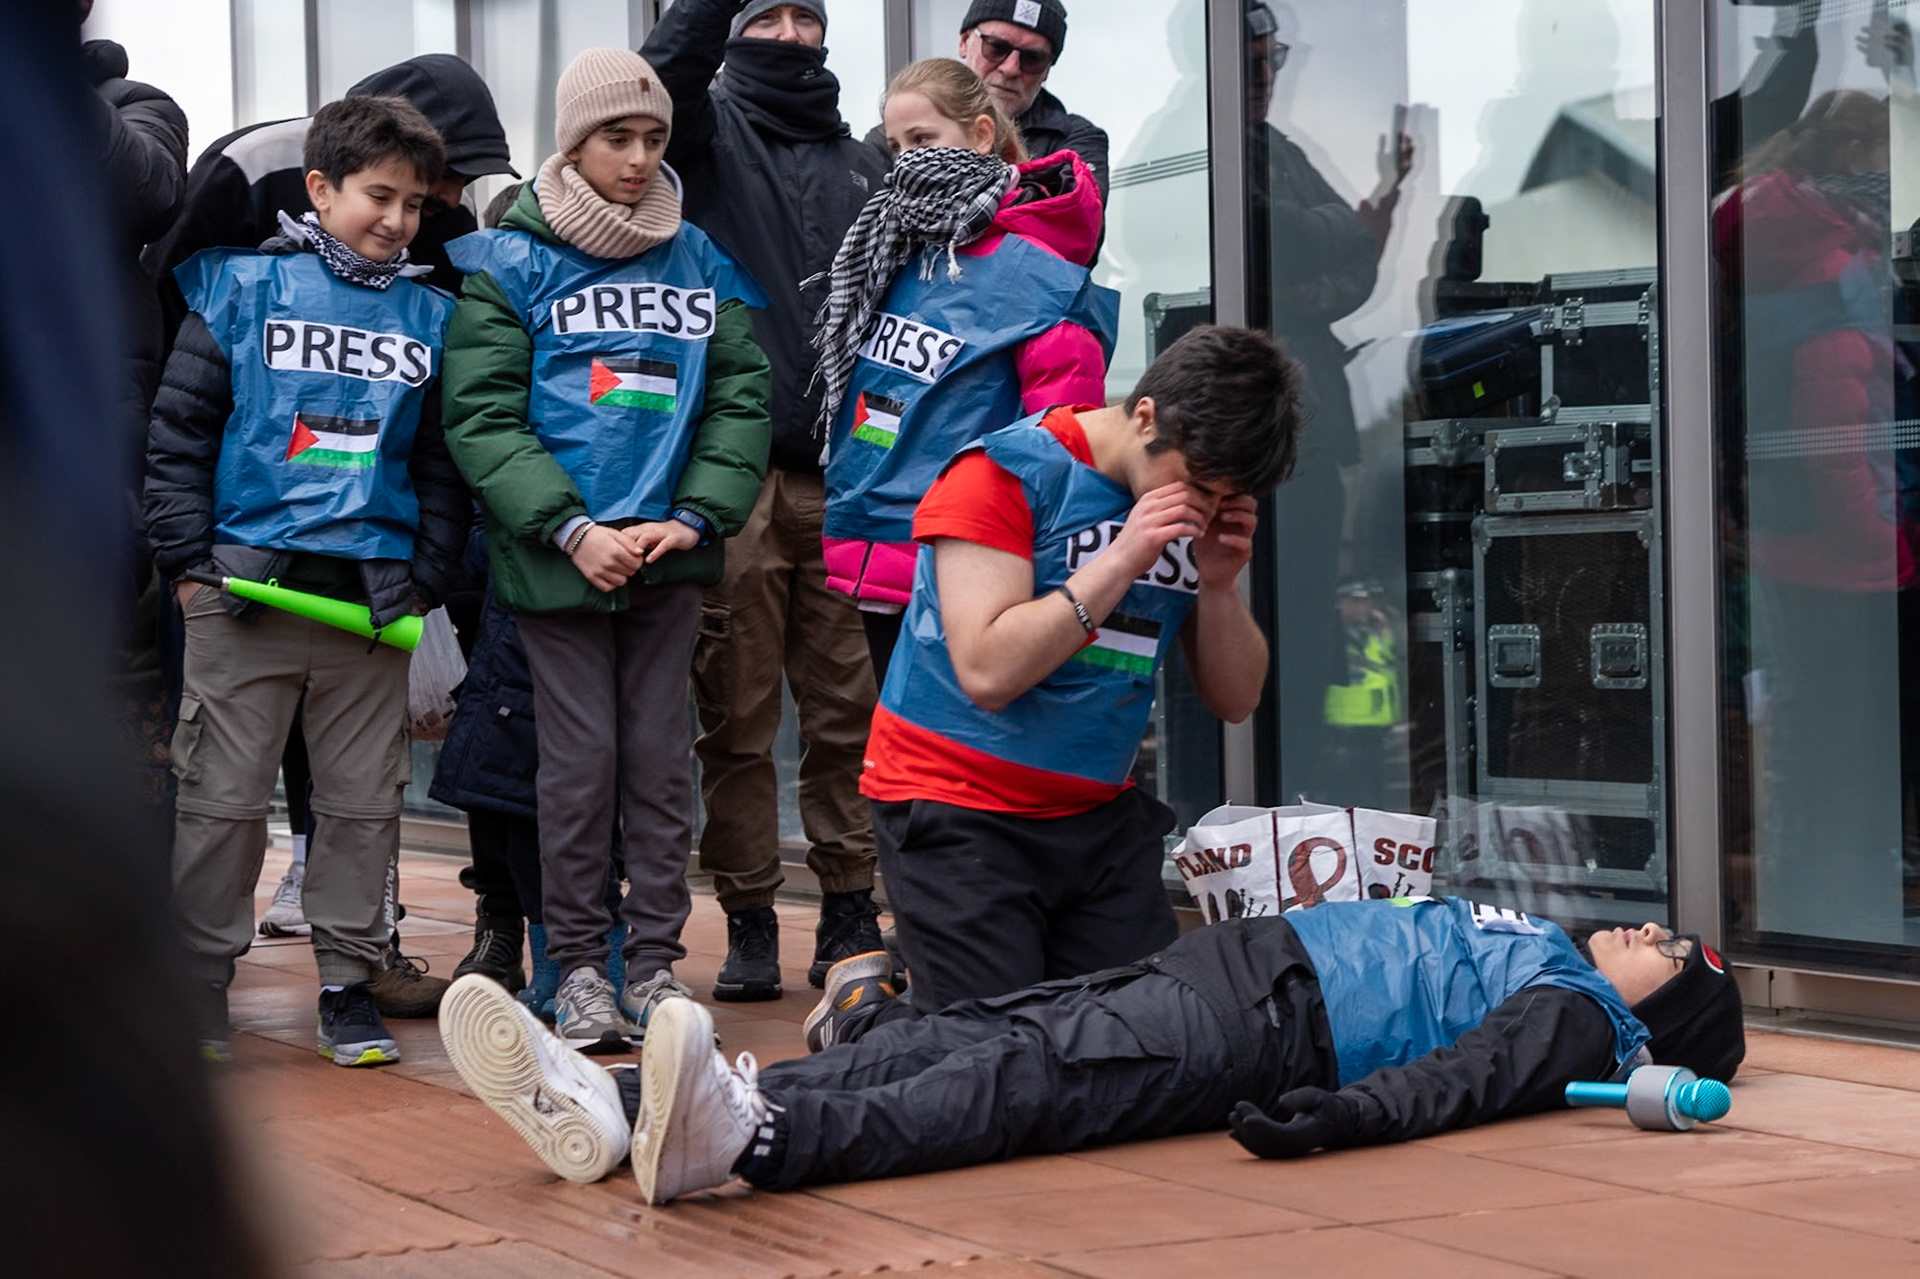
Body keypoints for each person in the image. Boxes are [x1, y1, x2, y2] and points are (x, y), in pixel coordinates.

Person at [437, 895, 1747, 1203]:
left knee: (1022, 1079)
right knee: (956, 1028)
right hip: (1225, 970)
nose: (1651, 927)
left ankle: (758, 1136)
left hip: (1270, 1018)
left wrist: (1345, 1117)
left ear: (1665, 1011)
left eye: (1673, 947)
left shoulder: (1585, 1009)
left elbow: (1462, 1080)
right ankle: (612, 1099)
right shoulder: (1554, 951)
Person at [142, 53, 517, 1013]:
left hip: (371, 606)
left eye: (414, 205)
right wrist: (190, 568)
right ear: (321, 187)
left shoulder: (437, 315)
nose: (395, 220)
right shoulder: (235, 288)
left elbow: (442, 465)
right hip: (241, 598)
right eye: (376, 196)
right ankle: (199, 983)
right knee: (221, 802)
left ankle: (350, 981)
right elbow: (179, 433)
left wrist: (424, 577)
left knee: (362, 808)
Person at [441, 48, 772, 1055]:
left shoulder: (701, 258)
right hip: (558, 562)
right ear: (572, 143)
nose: (637, 158)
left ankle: (657, 968)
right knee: (577, 767)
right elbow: (483, 417)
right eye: (615, 137)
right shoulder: (511, 259)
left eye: (653, 137)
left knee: (662, 767)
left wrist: (697, 516)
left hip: (669, 557)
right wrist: (573, 529)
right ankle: (578, 967)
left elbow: (741, 398)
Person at [837, 325, 1299, 1024]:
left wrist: (1218, 587)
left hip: (1095, 816)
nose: (1201, 505)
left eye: (1225, 494)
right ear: (1146, 416)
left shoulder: (1190, 515)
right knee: (989, 1062)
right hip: (958, 805)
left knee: (1137, 1043)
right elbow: (988, 670)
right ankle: (865, 1014)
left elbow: (1236, 700)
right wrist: (1122, 557)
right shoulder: (1001, 474)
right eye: (1196, 483)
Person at [642, 0, 893, 1005]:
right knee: (734, 719)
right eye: (766, 13)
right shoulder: (701, 132)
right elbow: (660, 74)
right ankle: (747, 914)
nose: (789, 34)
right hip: (731, 477)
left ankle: (846, 905)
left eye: (806, 16)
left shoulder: (866, 160)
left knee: (847, 716)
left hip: (845, 482)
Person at [819, 57, 1115, 680]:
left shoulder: (1040, 268)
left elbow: (1062, 437)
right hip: (877, 549)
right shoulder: (892, 245)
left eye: (923, 141)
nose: (906, 162)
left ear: (982, 135)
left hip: (973, 561)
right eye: (895, 146)